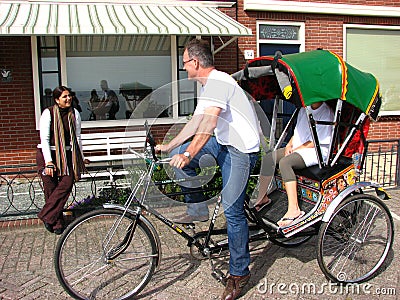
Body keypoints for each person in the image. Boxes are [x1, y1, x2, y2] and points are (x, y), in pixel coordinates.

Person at [155, 39, 260, 300]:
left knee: (232, 211)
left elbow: (210, 123)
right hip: (223, 142)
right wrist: (172, 146)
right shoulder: (207, 86)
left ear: (196, 63)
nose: (183, 68)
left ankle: (239, 272)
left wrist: (189, 153)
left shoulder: (219, 82)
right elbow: (197, 121)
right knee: (181, 159)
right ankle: (198, 208)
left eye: (184, 63)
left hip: (241, 149)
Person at [254, 101, 334, 227]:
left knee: (286, 162)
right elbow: (298, 131)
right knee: (269, 159)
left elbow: (319, 141)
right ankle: (263, 197)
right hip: (298, 147)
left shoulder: (327, 112)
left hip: (316, 151)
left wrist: (297, 148)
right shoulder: (304, 109)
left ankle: (294, 209)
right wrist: (290, 145)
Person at [37, 86, 88, 235]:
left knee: (67, 182)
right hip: (47, 153)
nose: (68, 99)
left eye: (69, 96)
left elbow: (77, 138)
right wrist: (48, 162)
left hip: (66, 154)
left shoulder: (75, 113)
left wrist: (81, 158)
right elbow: (45, 139)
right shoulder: (48, 113)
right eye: (65, 97)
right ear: (57, 100)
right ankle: (57, 223)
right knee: (51, 188)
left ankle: (46, 215)